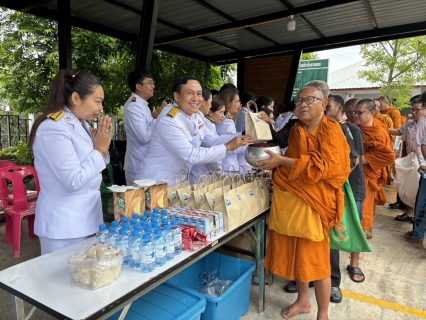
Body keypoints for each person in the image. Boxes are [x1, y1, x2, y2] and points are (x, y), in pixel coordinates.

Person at [259, 86, 351, 320]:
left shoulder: (331, 130)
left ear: (325, 103)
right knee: (298, 256)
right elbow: (297, 161)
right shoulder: (297, 129)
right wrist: (281, 162)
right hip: (293, 201)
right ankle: (303, 301)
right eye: (299, 101)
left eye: (310, 100)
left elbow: (329, 168)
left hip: (315, 203)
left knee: (316, 261)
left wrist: (283, 161)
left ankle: (323, 313)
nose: (303, 105)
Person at [29, 70, 112, 255]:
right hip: (64, 226)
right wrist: (100, 149)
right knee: (60, 281)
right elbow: (74, 179)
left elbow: (94, 164)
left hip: (86, 219)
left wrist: (101, 148)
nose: (101, 107)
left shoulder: (79, 123)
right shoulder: (53, 127)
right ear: (76, 98)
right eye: (97, 101)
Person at [135, 75, 251, 186]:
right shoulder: (169, 120)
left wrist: (244, 135)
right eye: (190, 93)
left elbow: (211, 139)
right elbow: (191, 155)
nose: (196, 98)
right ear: (176, 96)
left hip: (176, 181)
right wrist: (227, 147)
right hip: (155, 181)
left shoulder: (195, 115)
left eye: (199, 94)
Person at [326, 94, 367, 293]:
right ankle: (311, 276)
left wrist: (331, 177)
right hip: (325, 190)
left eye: (328, 105)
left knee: (351, 227)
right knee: (326, 236)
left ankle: (354, 263)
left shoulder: (351, 130)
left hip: (349, 186)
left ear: (339, 108)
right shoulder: (315, 128)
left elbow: (355, 160)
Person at [353, 99, 395, 239]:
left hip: (368, 174)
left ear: (371, 113)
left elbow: (388, 156)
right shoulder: (353, 128)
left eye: (359, 112)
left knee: (365, 208)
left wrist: (359, 160)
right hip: (352, 174)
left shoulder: (379, 131)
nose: (356, 115)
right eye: (355, 112)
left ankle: (360, 246)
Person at [123, 70, 166, 185]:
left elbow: (146, 126)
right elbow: (144, 137)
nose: (153, 86)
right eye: (150, 83)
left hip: (145, 163)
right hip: (138, 165)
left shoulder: (142, 105)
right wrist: (157, 119)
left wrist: (154, 117)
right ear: (139, 86)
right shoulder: (133, 107)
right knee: (137, 202)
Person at [391, 98, 425, 221]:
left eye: (417, 110)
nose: (413, 112)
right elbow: (401, 134)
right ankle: (410, 211)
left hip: (422, 161)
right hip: (411, 158)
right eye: (412, 109)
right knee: (410, 186)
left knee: (418, 187)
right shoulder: (410, 121)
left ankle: (415, 214)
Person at [216, 88, 246, 175]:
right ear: (228, 103)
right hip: (228, 167)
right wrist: (249, 142)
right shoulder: (227, 122)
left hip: (227, 165)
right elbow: (233, 147)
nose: (239, 105)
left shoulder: (227, 119)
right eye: (237, 102)